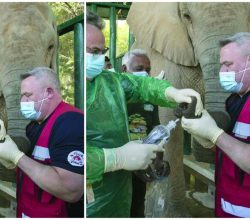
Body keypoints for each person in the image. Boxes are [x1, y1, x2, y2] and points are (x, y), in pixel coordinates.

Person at [86, 10, 203, 217]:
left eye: (100, 51)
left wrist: (172, 92)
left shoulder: (109, 82)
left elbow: (142, 85)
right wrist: (115, 158)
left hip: (120, 196)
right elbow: (70, 160)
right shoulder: (66, 93)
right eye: (91, 51)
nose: (98, 57)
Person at [0, 67, 84, 218]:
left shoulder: (71, 123)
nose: (22, 101)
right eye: (22, 96)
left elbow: (71, 191)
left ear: (49, 92)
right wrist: (6, 153)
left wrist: (17, 157)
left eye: (28, 95)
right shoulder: (33, 126)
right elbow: (32, 170)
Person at [182, 32, 250, 218]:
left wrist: (215, 134)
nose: (222, 71)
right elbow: (233, 151)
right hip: (226, 206)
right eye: (221, 64)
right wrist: (207, 139)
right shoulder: (234, 100)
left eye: (228, 64)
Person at [122, 48, 160, 217]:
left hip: (141, 165)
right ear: (124, 70)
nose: (144, 73)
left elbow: (155, 131)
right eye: (139, 69)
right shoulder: (113, 96)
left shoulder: (149, 97)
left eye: (148, 69)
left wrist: (157, 161)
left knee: (138, 206)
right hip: (117, 165)